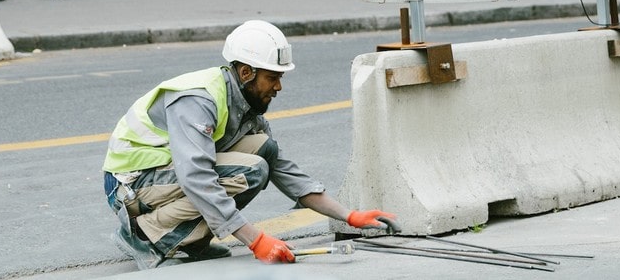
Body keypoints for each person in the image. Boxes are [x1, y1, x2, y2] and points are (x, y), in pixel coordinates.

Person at [102, 20, 399, 269]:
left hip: (161, 178)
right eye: (273, 78)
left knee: (263, 150)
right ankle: (147, 237)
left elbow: (285, 170)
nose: (279, 87)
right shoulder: (199, 99)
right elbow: (196, 177)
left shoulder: (245, 105)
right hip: (131, 185)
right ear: (246, 73)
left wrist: (348, 215)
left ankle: (190, 242)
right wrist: (255, 239)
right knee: (252, 170)